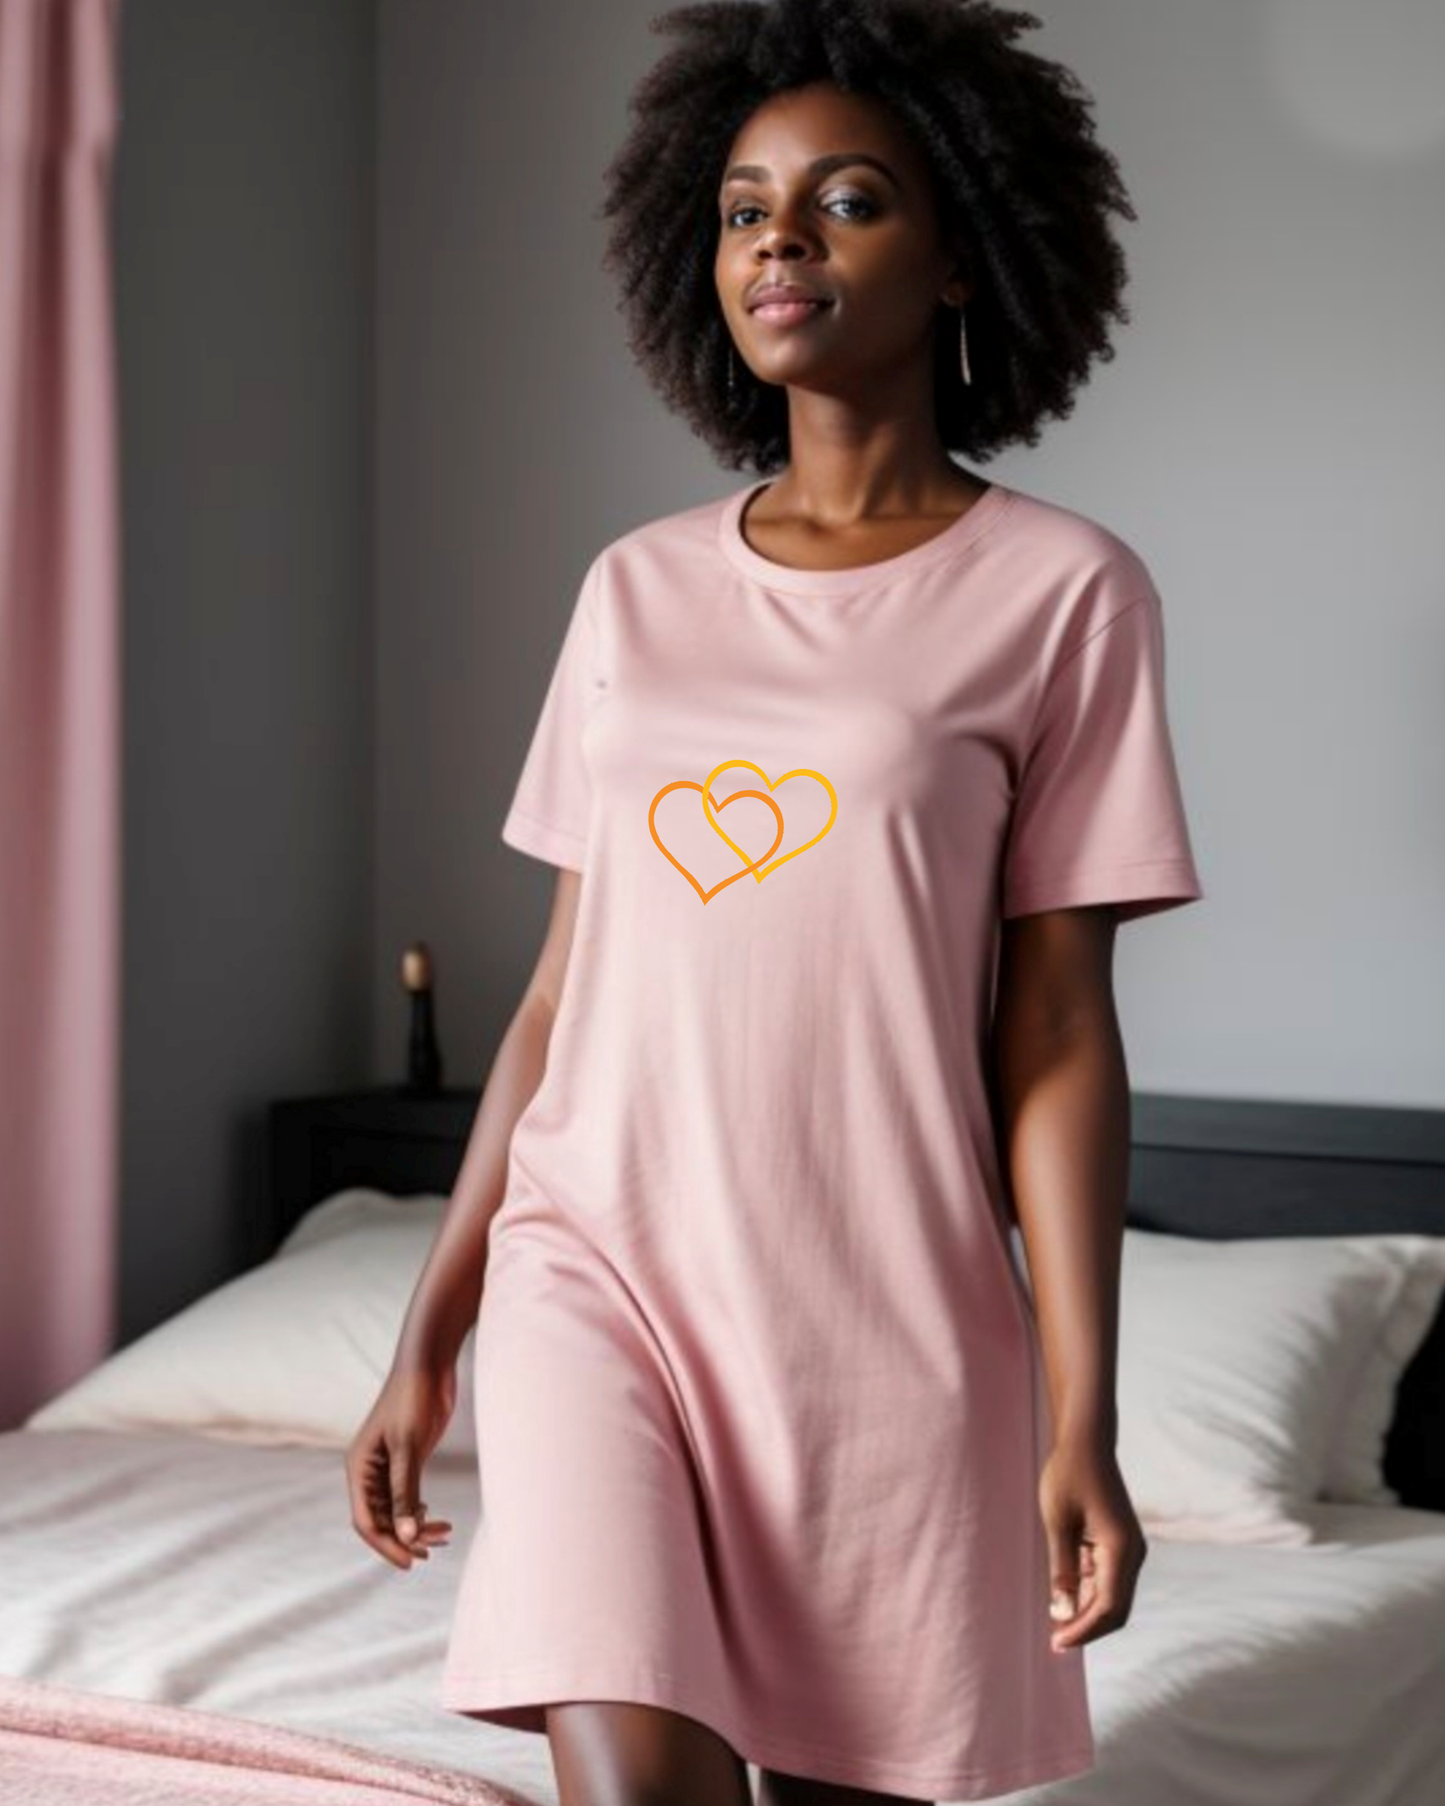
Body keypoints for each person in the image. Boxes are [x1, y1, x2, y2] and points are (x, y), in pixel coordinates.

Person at [345, 3, 1206, 1803]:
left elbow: (1056, 1029)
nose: (781, 241)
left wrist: (1082, 1409)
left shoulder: (1064, 594)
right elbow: (563, 994)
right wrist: (433, 1332)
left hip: (884, 1327)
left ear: (966, 251)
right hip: (598, 1273)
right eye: (743, 210)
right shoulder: (634, 591)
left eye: (848, 199)